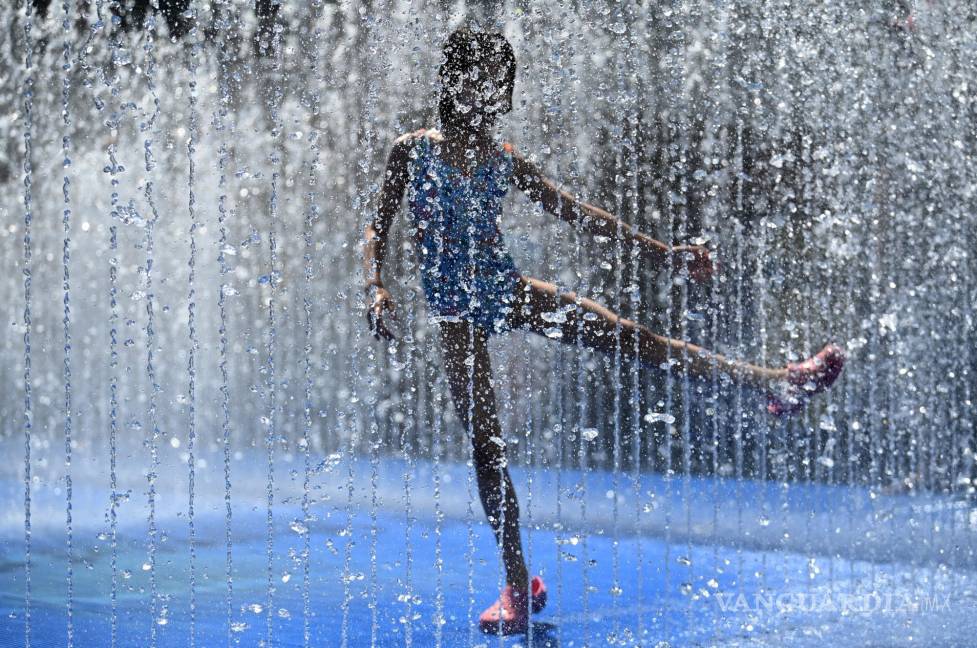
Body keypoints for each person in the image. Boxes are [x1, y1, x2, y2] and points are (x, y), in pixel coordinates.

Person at [361, 27, 845, 635]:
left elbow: (579, 214)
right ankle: (517, 584)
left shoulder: (501, 159)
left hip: (507, 291)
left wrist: (663, 252)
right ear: (453, 82)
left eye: (497, 88)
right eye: (479, 83)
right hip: (456, 317)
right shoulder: (413, 150)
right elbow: (378, 224)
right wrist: (376, 284)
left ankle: (779, 382)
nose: (487, 97)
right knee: (487, 447)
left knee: (642, 341)